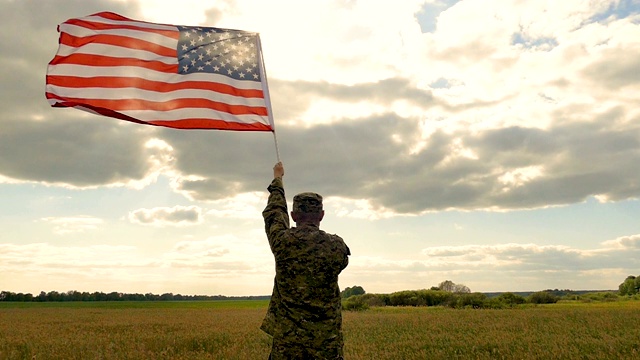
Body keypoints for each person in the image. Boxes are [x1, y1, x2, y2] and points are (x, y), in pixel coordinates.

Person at [261, 161, 351, 359]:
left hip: (287, 346)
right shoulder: (335, 247)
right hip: (326, 345)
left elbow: (275, 214)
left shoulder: (282, 242)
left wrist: (278, 179)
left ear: (293, 215)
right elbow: (342, 262)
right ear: (322, 215)